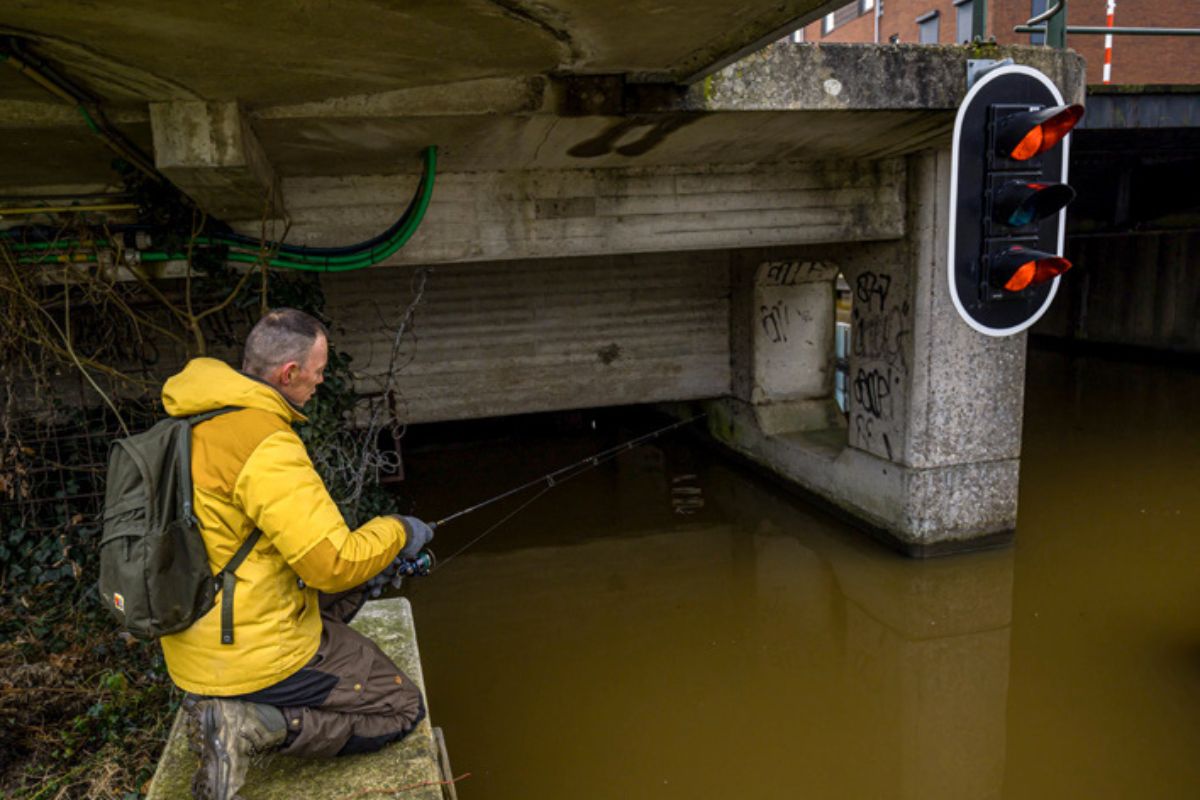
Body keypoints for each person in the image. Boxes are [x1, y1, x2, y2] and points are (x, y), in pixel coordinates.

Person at [158, 308, 434, 800]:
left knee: (354, 582)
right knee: (401, 707)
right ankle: (254, 723)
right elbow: (330, 564)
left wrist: (380, 563)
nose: (321, 381)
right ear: (289, 374)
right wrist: (398, 531)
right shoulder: (263, 443)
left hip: (192, 647)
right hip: (250, 657)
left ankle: (230, 703)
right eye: (319, 371)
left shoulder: (189, 423)